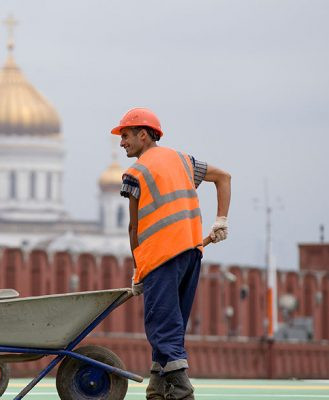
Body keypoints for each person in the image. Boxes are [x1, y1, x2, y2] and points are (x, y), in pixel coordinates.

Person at [112, 108, 231, 400]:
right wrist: (221, 221)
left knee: (161, 325)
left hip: (161, 259)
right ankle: (158, 386)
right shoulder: (183, 160)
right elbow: (224, 177)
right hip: (191, 254)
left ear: (143, 135)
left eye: (125, 136)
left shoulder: (135, 173)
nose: (122, 143)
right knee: (172, 324)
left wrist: (138, 271)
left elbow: (134, 228)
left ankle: (180, 390)